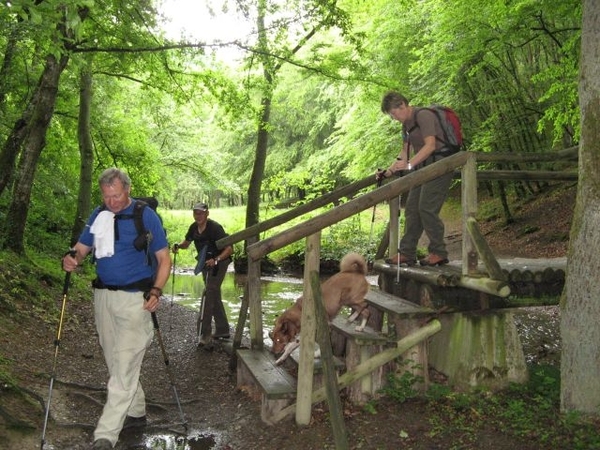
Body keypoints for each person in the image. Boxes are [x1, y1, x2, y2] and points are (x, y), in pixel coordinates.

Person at [62, 168, 171, 450]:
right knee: (114, 360)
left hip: (136, 300)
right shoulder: (99, 215)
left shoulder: (145, 215)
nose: (112, 201)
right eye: (107, 195)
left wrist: (157, 290)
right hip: (103, 298)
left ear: (128, 190)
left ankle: (105, 435)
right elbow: (82, 247)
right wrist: (72, 258)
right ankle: (135, 411)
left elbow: (164, 259)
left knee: (123, 366)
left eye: (117, 195)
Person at [377, 91, 454, 267]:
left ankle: (438, 252)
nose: (394, 118)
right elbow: (404, 154)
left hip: (440, 166)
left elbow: (430, 146)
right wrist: (388, 172)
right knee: (412, 209)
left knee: (426, 207)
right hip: (422, 169)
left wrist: (410, 165)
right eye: (391, 115)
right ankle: (407, 253)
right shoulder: (406, 126)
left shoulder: (423, 115)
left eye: (394, 113)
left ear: (402, 105)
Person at [173, 202, 233, 347]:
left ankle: (205, 335)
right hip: (205, 263)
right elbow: (187, 243)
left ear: (207, 213)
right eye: (195, 213)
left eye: (200, 213)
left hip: (220, 262)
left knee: (209, 294)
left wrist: (217, 259)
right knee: (213, 294)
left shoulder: (215, 228)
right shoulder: (194, 227)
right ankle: (223, 330)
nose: (198, 216)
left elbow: (229, 249)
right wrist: (178, 246)